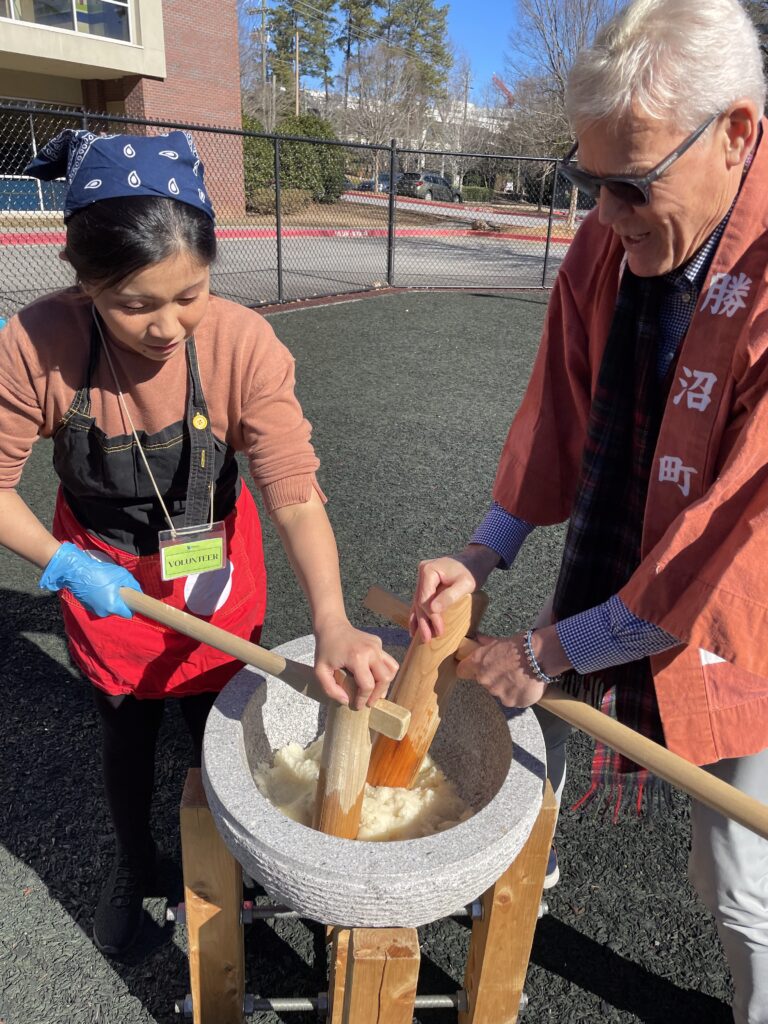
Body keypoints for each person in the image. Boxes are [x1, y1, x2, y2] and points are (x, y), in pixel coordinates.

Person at [411, 1, 768, 1021]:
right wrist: (483, 555)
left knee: (740, 872)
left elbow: (741, 543)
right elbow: (557, 411)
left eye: (631, 184)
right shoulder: (612, 246)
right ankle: (520, 889)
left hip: (750, 611)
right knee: (531, 750)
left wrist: (545, 652)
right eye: (587, 180)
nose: (603, 212)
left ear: (736, 133)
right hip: (626, 565)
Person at [0, 128, 397, 958]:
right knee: (125, 724)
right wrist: (60, 563)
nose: (168, 326)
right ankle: (137, 860)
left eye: (190, 293)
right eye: (134, 304)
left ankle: (239, 855)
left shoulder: (240, 341)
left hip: (211, 559)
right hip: (103, 567)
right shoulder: (38, 344)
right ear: (85, 282)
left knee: (218, 716)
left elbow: (291, 485)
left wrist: (330, 617)